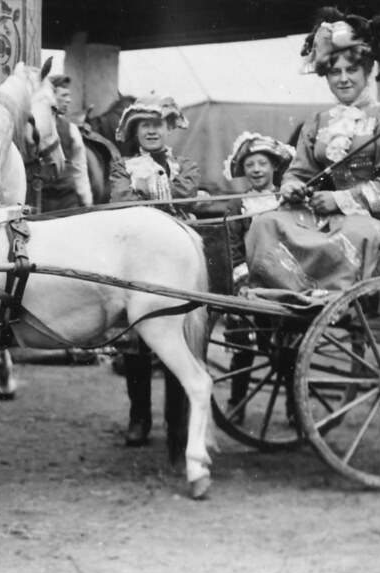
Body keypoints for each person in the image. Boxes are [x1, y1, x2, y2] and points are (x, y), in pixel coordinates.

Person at [245, 9, 380, 295]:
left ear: (368, 70)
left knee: (353, 235)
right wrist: (293, 187)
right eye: (335, 72)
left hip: (377, 217)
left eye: (351, 70)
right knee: (265, 223)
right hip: (323, 216)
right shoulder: (318, 122)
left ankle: (328, 298)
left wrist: (340, 199)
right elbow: (298, 172)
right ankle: (285, 294)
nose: (343, 79)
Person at [108, 93, 200, 448]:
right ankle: (139, 417)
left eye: (157, 124)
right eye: (144, 125)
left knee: (177, 336)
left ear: (168, 127)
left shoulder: (185, 164)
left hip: (175, 258)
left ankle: (177, 423)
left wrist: (145, 196)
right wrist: (158, 200)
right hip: (136, 256)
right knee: (137, 339)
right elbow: (120, 201)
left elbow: (186, 193)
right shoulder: (122, 167)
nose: (151, 131)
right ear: (135, 129)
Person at [219, 132, 295, 422]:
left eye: (262, 163)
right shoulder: (237, 206)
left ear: (274, 167)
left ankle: (293, 407)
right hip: (249, 282)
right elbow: (233, 246)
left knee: (291, 347)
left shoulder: (285, 201)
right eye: (250, 165)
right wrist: (243, 280)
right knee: (244, 345)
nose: (256, 170)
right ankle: (237, 402)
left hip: (284, 281)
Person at [34, 75, 93, 211]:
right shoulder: (34, 129)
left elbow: (79, 167)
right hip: (40, 201)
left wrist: (87, 201)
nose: (69, 100)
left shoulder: (71, 129)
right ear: (51, 96)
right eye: (64, 95)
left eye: (69, 96)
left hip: (67, 200)